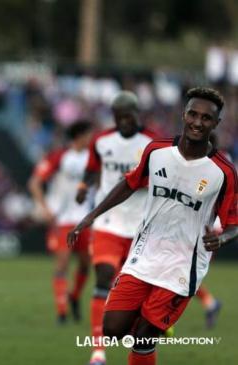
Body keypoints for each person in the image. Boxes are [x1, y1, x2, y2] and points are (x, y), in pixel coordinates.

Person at [68, 87, 238, 365]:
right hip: (144, 255)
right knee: (111, 330)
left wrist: (224, 238)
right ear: (183, 115)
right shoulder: (157, 150)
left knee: (144, 339)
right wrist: (90, 217)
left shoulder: (223, 172)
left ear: (216, 124)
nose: (197, 122)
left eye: (206, 118)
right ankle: (155, 321)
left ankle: (153, 324)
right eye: (193, 114)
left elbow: (234, 223)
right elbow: (129, 183)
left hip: (182, 265)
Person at [74, 91, 157, 365]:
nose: (123, 121)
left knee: (132, 295)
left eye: (128, 116)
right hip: (109, 222)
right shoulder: (101, 141)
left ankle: (140, 337)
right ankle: (98, 352)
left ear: (137, 114)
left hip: (140, 227)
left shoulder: (153, 143)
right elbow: (92, 169)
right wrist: (84, 186)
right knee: (103, 277)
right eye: (118, 116)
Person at [27, 120, 94, 325]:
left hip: (85, 219)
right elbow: (35, 182)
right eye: (88, 134)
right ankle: (62, 312)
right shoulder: (60, 156)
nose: (91, 138)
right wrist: (46, 208)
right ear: (79, 135)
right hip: (63, 219)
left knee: (85, 265)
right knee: (62, 264)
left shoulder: (94, 158)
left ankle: (74, 296)